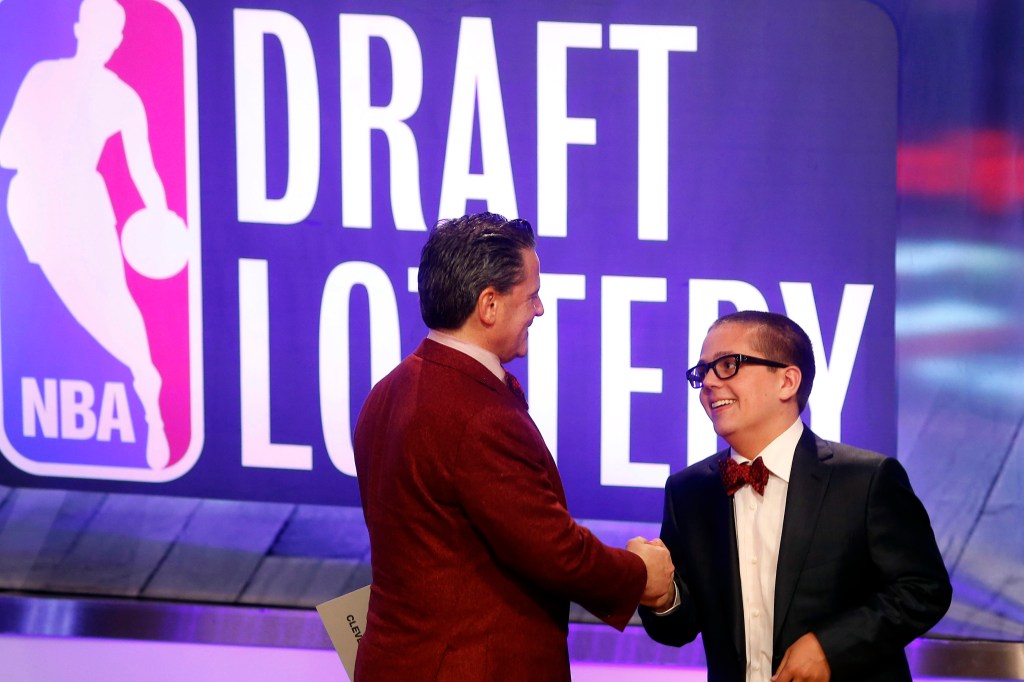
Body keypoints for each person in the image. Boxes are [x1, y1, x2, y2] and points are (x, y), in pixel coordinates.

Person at [352, 212, 674, 681]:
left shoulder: (389, 390)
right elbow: (553, 550)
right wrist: (642, 575)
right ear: (489, 305)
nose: (540, 310)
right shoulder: (477, 414)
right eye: (532, 295)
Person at [640, 310, 951, 682]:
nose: (707, 382)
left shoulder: (866, 479)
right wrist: (662, 597)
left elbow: (923, 589)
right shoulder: (689, 491)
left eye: (727, 365)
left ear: (787, 381)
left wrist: (830, 647)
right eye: (702, 371)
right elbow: (678, 629)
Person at [0, 0, 175, 468]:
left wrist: (159, 218)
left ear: (118, 41)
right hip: (35, 205)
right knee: (84, 304)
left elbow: (146, 171)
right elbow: (8, 150)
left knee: (114, 300)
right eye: (101, 28)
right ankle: (145, 378)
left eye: (113, 33)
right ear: (80, 28)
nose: (107, 39)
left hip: (82, 204)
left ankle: (148, 388)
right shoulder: (43, 77)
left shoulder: (121, 96)